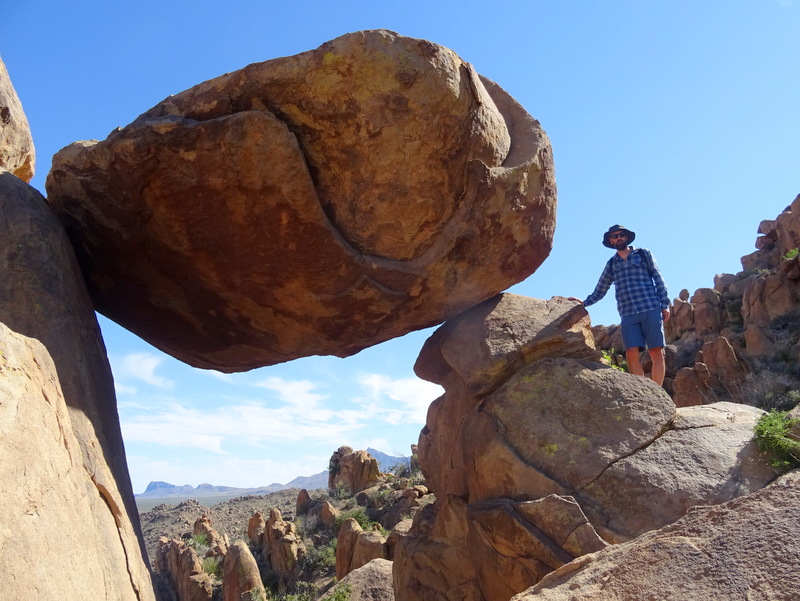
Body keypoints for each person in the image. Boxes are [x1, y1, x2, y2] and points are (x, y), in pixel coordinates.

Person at [572, 225, 671, 386]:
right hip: (627, 313)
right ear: (611, 241)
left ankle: (657, 392)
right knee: (631, 352)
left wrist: (664, 304)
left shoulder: (643, 254)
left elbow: (658, 278)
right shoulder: (611, 264)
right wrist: (584, 303)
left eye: (621, 235)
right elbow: (601, 289)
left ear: (626, 237)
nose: (618, 238)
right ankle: (643, 393)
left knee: (655, 351)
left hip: (650, 307)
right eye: (615, 236)